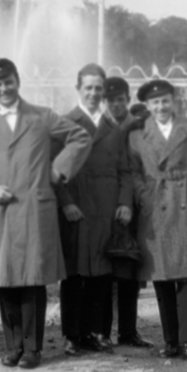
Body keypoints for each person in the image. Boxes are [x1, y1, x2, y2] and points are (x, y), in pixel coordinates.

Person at [0, 58, 90, 370]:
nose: (4, 89)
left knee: (32, 278)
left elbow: (80, 137)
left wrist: (58, 170)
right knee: (5, 278)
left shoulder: (41, 116)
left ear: (18, 81)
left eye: (8, 82)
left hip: (34, 209)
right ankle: (12, 346)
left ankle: (33, 348)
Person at [127, 79, 187, 360]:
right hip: (156, 209)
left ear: (174, 101)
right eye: (155, 102)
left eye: (165, 100)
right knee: (162, 275)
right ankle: (170, 340)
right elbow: (132, 171)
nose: (161, 106)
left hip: (186, 207)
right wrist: (144, 196)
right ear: (148, 105)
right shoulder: (138, 135)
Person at [56, 64, 133, 355]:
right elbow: (54, 170)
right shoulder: (65, 123)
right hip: (77, 208)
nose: (93, 93)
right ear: (78, 89)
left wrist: (124, 202)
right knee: (75, 273)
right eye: (88, 87)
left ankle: (99, 332)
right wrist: (66, 203)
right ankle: (72, 335)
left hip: (106, 209)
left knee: (102, 273)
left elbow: (125, 170)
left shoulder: (114, 129)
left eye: (98, 88)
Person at [100, 77, 153, 348]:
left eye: (121, 99)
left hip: (133, 207)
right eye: (112, 100)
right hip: (105, 205)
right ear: (105, 102)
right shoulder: (99, 125)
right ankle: (102, 331)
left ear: (128, 99)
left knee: (130, 270)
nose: (117, 104)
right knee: (106, 273)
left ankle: (128, 331)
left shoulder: (137, 125)